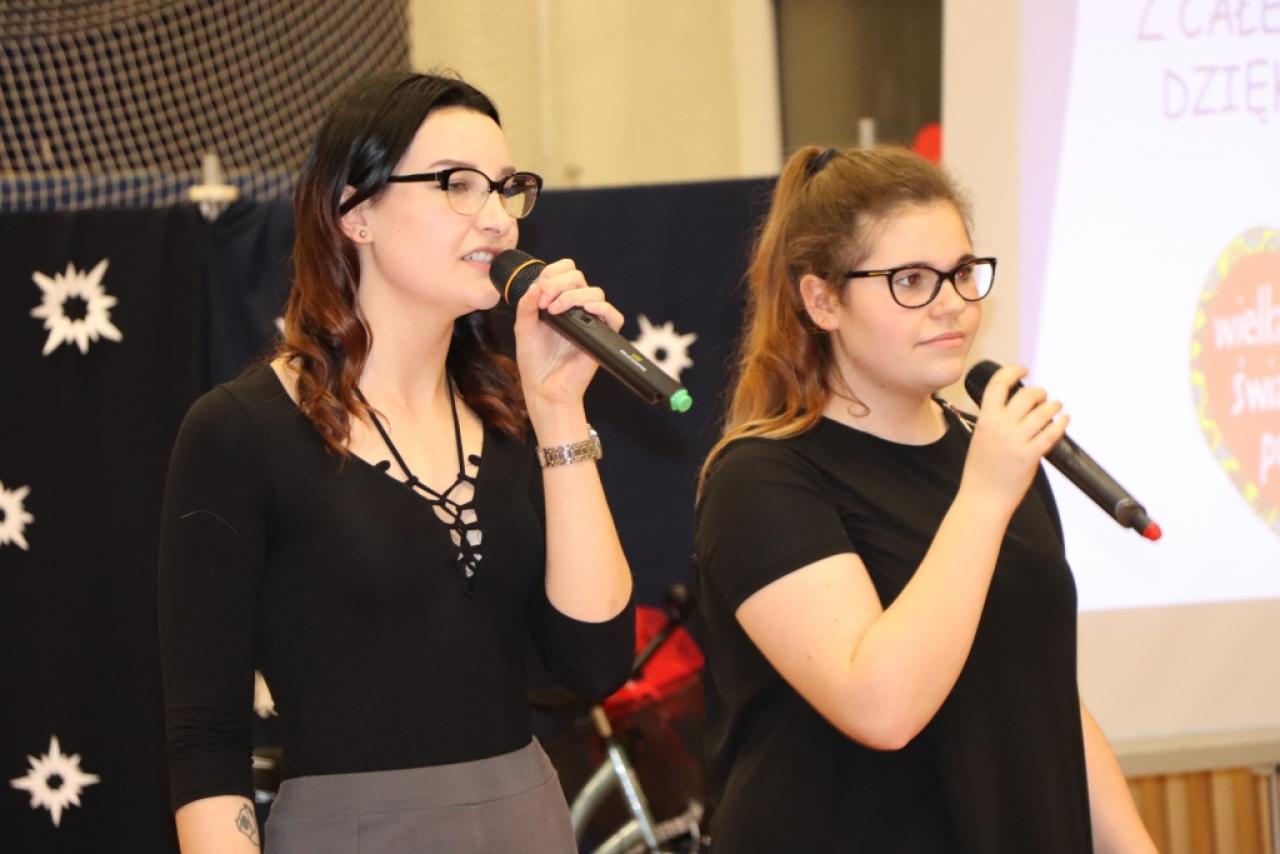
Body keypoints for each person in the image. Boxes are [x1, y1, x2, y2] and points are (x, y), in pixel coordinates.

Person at [159, 70, 635, 854]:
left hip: (528, 820)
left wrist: (559, 412)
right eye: (457, 184)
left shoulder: (511, 420)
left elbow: (594, 662)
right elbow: (205, 736)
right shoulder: (239, 432)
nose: (497, 219)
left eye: (506, 188)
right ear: (356, 212)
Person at [693, 145, 1155, 853]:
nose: (953, 305)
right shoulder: (760, 480)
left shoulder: (990, 452)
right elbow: (881, 708)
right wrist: (984, 497)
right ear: (822, 300)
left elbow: (1043, 695)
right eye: (911, 280)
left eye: (963, 273)